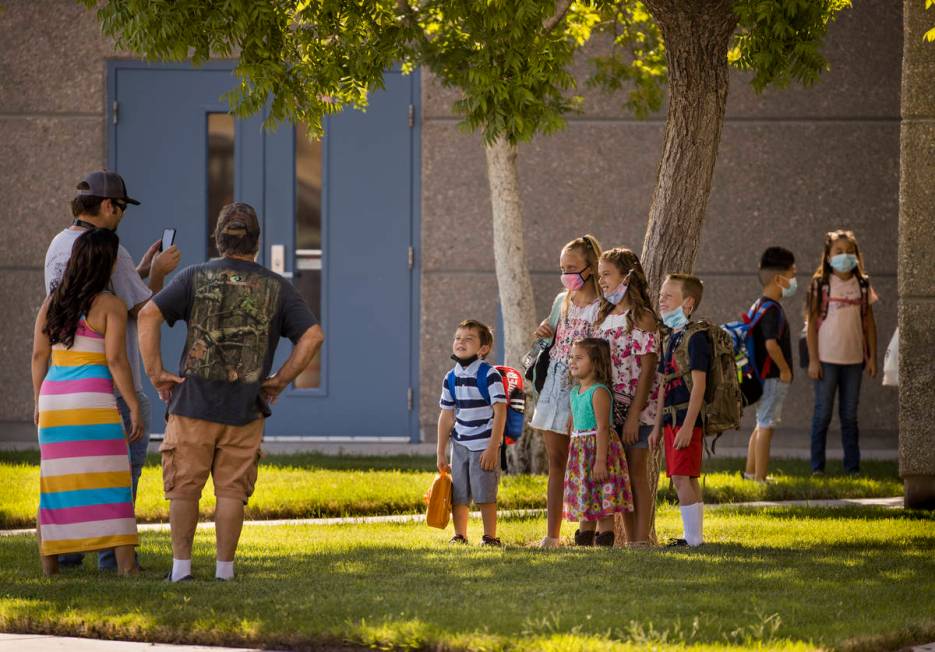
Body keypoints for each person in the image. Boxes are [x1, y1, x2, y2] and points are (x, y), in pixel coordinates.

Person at [138, 202, 324, 582]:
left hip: (191, 403)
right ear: (256, 242)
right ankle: (225, 571)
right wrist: (279, 380)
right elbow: (312, 336)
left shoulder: (194, 277)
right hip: (246, 407)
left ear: (218, 240)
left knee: (184, 489)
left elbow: (147, 314)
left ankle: (181, 569)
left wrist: (156, 374)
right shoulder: (277, 287)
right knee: (231, 493)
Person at [44, 170, 180, 570]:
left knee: (72, 471)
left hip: (63, 380)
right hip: (109, 384)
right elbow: (143, 309)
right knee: (123, 469)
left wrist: (135, 272)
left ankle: (67, 550)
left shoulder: (58, 245)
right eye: (121, 207)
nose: (121, 215)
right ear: (108, 206)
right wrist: (157, 275)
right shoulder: (112, 251)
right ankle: (113, 555)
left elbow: (84, 294)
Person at [32, 228, 141, 576]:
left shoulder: (52, 303)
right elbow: (115, 361)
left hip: (53, 399)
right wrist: (134, 403)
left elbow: (38, 355)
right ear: (105, 264)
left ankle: (51, 568)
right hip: (92, 400)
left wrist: (38, 402)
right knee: (112, 481)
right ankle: (126, 568)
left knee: (55, 483)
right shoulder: (111, 305)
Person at [530, 235, 603, 548]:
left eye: (572, 267)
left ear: (591, 266)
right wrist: (543, 332)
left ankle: (594, 530)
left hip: (584, 388)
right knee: (556, 461)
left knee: (587, 461)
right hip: (554, 386)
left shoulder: (603, 305)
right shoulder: (562, 300)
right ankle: (553, 534)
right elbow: (551, 335)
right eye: (562, 268)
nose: (566, 274)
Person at [595, 247, 660, 545]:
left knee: (636, 472)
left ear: (627, 276)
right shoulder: (604, 316)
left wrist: (634, 414)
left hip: (638, 407)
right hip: (610, 408)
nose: (602, 281)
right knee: (618, 476)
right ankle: (629, 538)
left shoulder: (642, 318)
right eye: (599, 275)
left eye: (607, 274)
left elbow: (648, 371)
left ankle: (640, 539)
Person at [806, 229, 878, 476]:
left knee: (849, 416)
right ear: (827, 256)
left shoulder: (863, 284)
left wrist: (872, 358)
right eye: (839, 251)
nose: (844, 256)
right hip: (826, 362)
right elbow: (811, 325)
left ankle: (853, 467)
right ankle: (817, 467)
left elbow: (869, 323)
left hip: (854, 361)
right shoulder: (820, 285)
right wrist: (814, 360)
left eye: (850, 252)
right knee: (822, 414)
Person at [650, 274, 709, 548]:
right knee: (685, 477)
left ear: (688, 304)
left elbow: (699, 385)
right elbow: (663, 384)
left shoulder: (695, 338)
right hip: (671, 419)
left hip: (686, 420)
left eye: (668, 296)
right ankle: (694, 537)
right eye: (661, 296)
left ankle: (693, 539)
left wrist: (687, 426)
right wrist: (655, 427)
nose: (662, 300)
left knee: (681, 478)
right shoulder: (671, 337)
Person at [436, 320, 506, 546]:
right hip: (460, 445)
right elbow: (446, 415)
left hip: (484, 445)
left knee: (485, 493)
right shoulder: (451, 377)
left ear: (483, 349)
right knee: (459, 494)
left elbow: (500, 411)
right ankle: (460, 535)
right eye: (457, 338)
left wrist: (493, 447)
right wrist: (440, 452)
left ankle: (490, 537)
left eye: (468, 339)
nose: (460, 342)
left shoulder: (489, 374)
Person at [563, 338, 633, 547]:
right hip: (581, 452)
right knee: (585, 495)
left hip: (598, 450)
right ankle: (584, 539)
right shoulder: (575, 392)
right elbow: (574, 425)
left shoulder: (599, 391)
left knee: (602, 495)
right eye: (571, 357)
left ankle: (605, 539)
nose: (572, 362)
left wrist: (601, 460)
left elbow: (603, 428)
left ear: (595, 362)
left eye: (578, 357)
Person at [743, 247, 796, 483]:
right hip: (773, 377)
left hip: (760, 376)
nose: (794, 280)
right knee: (767, 426)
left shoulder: (758, 305)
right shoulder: (773, 310)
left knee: (760, 424)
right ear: (778, 278)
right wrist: (785, 369)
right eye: (792, 274)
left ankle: (750, 472)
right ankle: (760, 479)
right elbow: (771, 345)